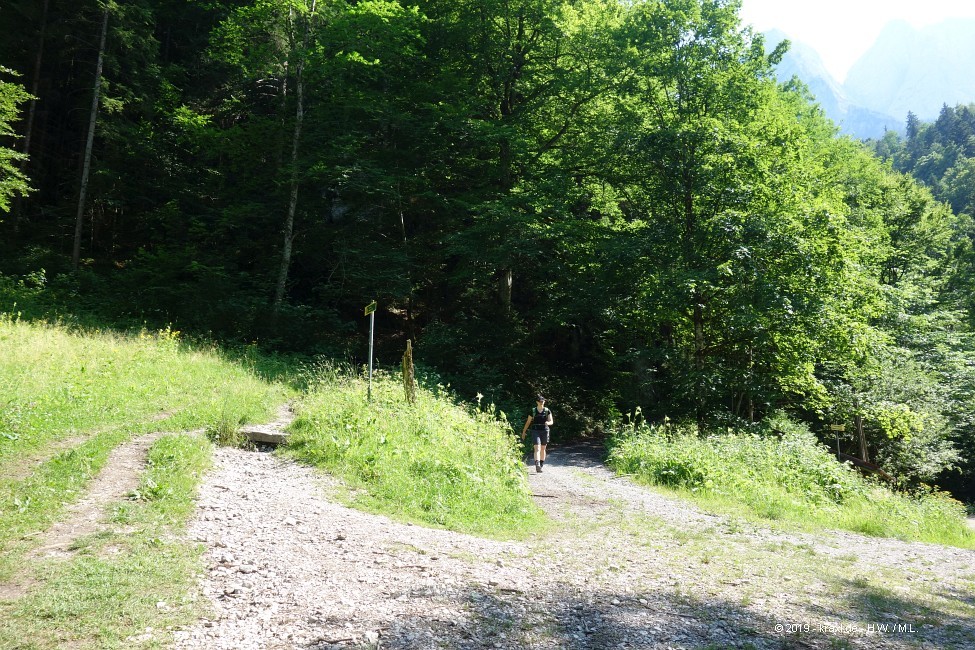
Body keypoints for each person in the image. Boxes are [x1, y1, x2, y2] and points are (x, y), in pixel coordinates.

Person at [521, 395, 553, 473]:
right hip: (535, 431)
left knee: (543, 448)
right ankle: (537, 464)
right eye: (540, 401)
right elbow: (528, 422)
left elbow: (551, 421)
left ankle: (541, 464)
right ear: (537, 402)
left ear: (544, 402)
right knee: (537, 448)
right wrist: (524, 432)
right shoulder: (533, 411)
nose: (541, 402)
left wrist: (548, 423)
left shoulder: (547, 410)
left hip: (545, 430)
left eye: (543, 401)